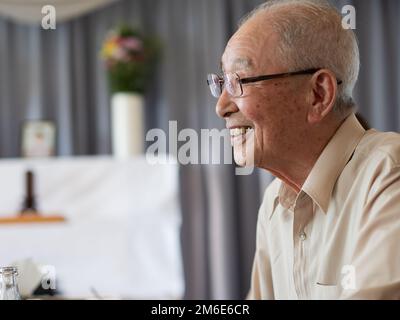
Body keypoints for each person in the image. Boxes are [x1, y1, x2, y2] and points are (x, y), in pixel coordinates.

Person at [207, 0, 400, 299]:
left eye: (239, 81)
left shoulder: (388, 171)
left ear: (318, 94)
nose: (221, 107)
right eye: (222, 83)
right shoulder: (274, 202)